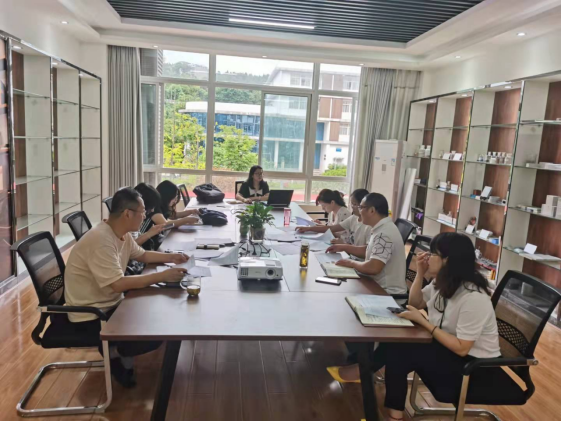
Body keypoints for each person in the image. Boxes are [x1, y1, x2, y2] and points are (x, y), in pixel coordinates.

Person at [328, 232, 500, 421]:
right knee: (398, 344)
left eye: (433, 254)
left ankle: (371, 383)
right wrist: (420, 273)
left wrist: (424, 322)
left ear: (447, 260)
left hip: (474, 367)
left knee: (400, 351)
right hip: (449, 350)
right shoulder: (444, 282)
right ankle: (389, 407)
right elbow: (415, 303)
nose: (427, 257)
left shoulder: (473, 297)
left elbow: (462, 348)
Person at [64, 187, 190, 388]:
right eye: (143, 212)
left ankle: (120, 353)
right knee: (159, 329)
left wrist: (172, 257)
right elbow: (118, 284)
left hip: (110, 302)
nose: (145, 216)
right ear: (127, 214)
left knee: (160, 316)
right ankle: (114, 351)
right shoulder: (101, 240)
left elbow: (142, 255)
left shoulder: (121, 233)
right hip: (92, 314)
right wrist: (162, 276)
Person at [326, 193, 407, 295]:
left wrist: (351, 263)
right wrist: (344, 247)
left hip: (386, 293)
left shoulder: (384, 234)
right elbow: (370, 250)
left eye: (361, 207)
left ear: (372, 210)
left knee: (341, 293)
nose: (359, 211)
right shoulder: (382, 227)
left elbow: (373, 268)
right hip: (375, 285)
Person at [296, 189, 370, 248]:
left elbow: (348, 240)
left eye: (355, 204)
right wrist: (310, 228)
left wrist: (344, 245)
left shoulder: (366, 224)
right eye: (352, 204)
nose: (352, 207)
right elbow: (332, 228)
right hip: (344, 247)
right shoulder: (352, 218)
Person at [133, 182, 167, 249]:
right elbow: (131, 247)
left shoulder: (138, 218)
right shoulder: (132, 221)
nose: (152, 210)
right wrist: (149, 233)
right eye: (151, 207)